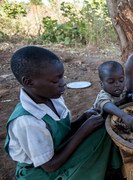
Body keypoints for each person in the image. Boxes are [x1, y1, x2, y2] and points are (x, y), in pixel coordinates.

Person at [4, 46, 121, 180]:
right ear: (29, 82)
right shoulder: (27, 121)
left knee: (103, 128)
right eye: (56, 80)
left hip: (59, 150)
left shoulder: (52, 97)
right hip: (40, 172)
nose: (63, 83)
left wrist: (82, 119)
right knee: (94, 143)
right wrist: (83, 131)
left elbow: (59, 133)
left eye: (62, 77)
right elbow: (50, 165)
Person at [93, 61, 133, 131]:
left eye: (121, 80)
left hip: (115, 121)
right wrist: (125, 116)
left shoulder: (123, 91)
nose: (117, 84)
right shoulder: (103, 96)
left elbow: (127, 96)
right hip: (100, 125)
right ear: (102, 84)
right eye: (111, 82)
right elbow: (107, 105)